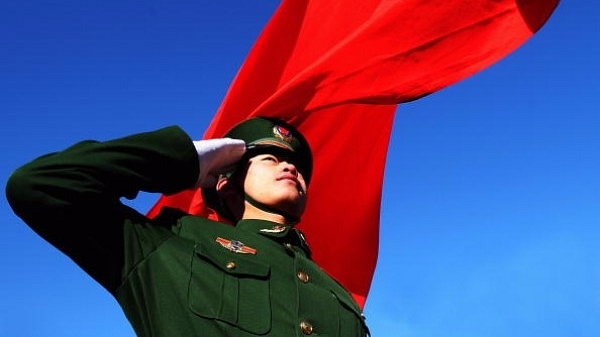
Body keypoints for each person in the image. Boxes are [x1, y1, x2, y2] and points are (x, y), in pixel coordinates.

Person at [6, 116, 369, 336]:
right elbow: (40, 185)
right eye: (270, 158)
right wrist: (190, 159)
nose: (290, 168)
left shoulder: (332, 289)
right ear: (224, 182)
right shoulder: (171, 244)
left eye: (298, 167)